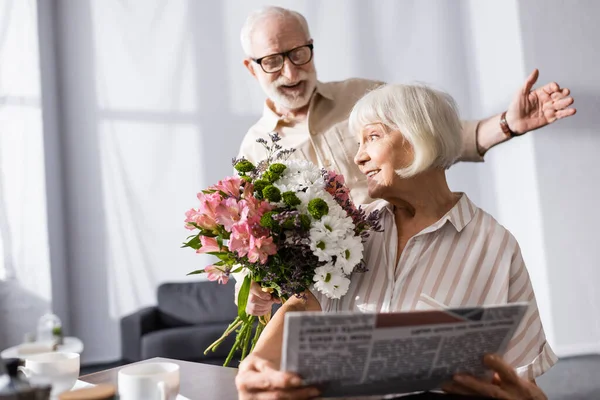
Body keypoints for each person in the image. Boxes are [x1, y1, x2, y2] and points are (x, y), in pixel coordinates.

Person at [236, 6, 576, 316]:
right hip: (329, 293)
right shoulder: (253, 149)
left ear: (311, 45)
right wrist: (250, 288)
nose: (291, 71)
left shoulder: (363, 96)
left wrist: (507, 124)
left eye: (299, 53)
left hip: (407, 254)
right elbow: (251, 236)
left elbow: (438, 135)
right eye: (272, 61)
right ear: (250, 68)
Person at [235, 83, 556, 399]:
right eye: (358, 142)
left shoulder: (495, 247)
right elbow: (304, 304)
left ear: (420, 137)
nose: (358, 157)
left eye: (372, 137)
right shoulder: (352, 226)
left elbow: (522, 378)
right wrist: (256, 365)